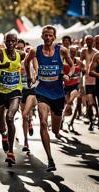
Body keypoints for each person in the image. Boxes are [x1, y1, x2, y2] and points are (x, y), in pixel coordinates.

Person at [24, 25, 75, 172]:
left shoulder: (62, 51)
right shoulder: (36, 51)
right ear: (42, 36)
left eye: (50, 35)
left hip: (58, 93)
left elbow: (72, 66)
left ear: (54, 37)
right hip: (42, 91)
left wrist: (69, 75)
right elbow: (27, 62)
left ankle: (58, 128)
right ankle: (50, 159)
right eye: (45, 35)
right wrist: (29, 76)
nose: (47, 38)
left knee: (55, 129)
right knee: (43, 122)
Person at [0, 33, 25, 165]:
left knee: (9, 117)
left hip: (15, 92)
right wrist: (1, 66)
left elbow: (31, 60)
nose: (10, 44)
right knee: (1, 125)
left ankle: (10, 152)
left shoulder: (21, 55)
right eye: (8, 41)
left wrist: (31, 75)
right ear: (5, 41)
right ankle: (4, 135)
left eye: (13, 41)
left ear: (16, 42)